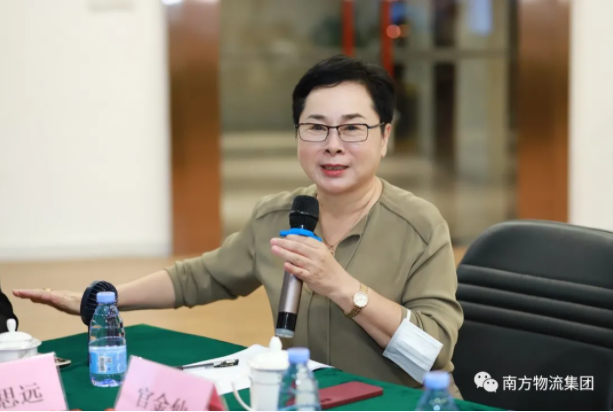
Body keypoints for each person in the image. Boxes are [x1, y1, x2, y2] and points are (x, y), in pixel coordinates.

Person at [13, 55, 464, 397]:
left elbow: (433, 353)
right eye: (315, 127)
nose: (332, 145)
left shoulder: (420, 226)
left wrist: (343, 287)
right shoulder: (277, 217)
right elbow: (201, 277)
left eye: (352, 129)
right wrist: (103, 299)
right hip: (306, 400)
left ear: (384, 137)